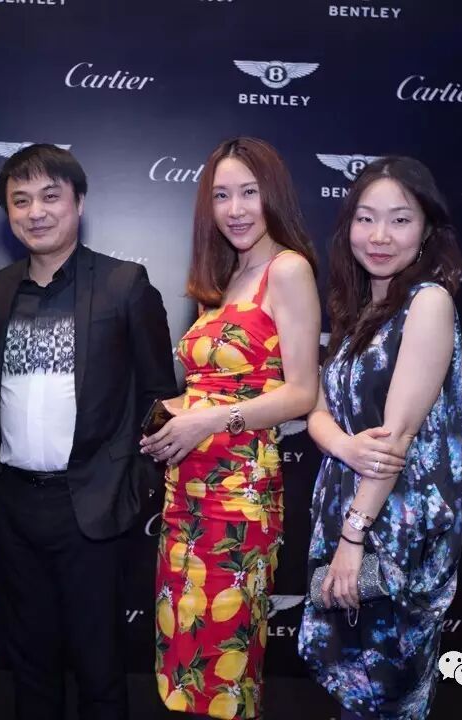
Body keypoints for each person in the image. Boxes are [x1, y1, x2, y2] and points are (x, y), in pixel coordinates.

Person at [0, 144, 177, 720]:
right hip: (14, 505)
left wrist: (135, 485)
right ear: (7, 213)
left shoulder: (123, 284)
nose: (36, 211)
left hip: (93, 505)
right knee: (29, 666)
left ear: (78, 202)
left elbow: (160, 396)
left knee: (99, 666)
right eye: (20, 200)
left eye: (50, 196)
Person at [141, 137, 320, 719]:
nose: (235, 209)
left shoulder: (288, 270)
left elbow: (301, 391)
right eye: (221, 196)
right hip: (185, 493)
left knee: (225, 659)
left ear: (274, 197)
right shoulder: (222, 277)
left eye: (249, 193)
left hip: (238, 496)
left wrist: (211, 419)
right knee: (185, 651)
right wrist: (174, 415)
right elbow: (216, 385)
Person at [298, 156, 462, 720]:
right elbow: (315, 405)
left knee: (385, 693)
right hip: (351, 513)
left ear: (427, 230)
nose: (379, 236)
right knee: (354, 688)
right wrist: (343, 445)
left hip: (391, 531)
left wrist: (354, 536)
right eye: (366, 218)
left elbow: (396, 438)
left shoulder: (428, 302)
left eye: (400, 220)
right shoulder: (360, 307)